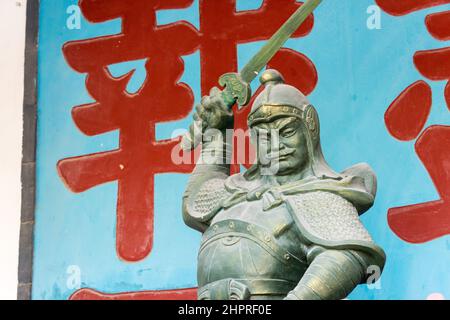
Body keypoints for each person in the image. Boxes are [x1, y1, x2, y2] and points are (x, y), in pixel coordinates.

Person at [182, 69, 386, 300]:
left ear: (309, 128)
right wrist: (218, 132)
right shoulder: (236, 191)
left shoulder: (320, 194)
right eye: (264, 136)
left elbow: (346, 255)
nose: (275, 145)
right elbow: (194, 205)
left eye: (287, 132)